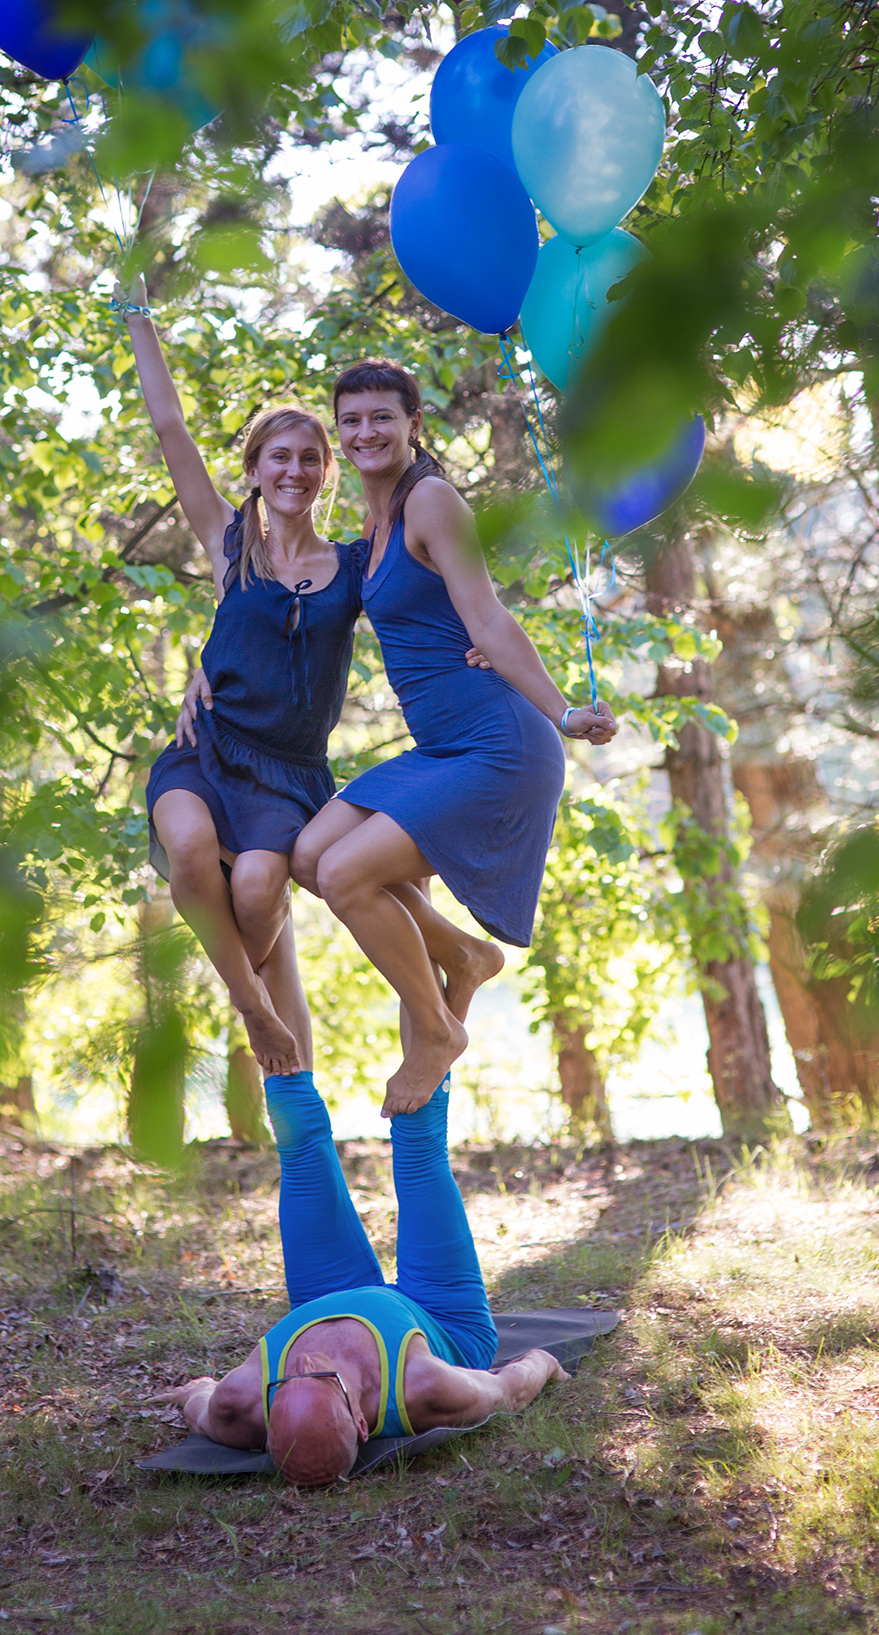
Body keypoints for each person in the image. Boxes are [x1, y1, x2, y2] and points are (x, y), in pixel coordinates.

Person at [128, 295, 496, 1079]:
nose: (292, 471)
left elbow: (425, 598)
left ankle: (280, 996)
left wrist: (479, 650)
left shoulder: (355, 567)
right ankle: (254, 1010)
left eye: (307, 458)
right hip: (208, 749)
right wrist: (139, 319)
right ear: (256, 472)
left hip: (288, 775)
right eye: (278, 458)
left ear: (326, 471)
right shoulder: (231, 547)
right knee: (188, 845)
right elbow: (171, 430)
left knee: (262, 885)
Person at [289, 360, 618, 1118]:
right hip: (441, 747)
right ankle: (465, 955)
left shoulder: (430, 500)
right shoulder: (370, 528)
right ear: (338, 435)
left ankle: (437, 1031)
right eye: (351, 420)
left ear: (413, 424)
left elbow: (490, 619)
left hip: (497, 743)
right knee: (309, 857)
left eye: (382, 417)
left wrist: (565, 713)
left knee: (344, 875)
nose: (366, 431)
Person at [154, 1071, 568, 1486]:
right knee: (419, 1144)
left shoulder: (239, 1403)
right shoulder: (427, 1389)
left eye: (286, 1381)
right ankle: (436, 1036)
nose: (304, 1361)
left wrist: (193, 1390)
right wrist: (545, 1363)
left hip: (324, 1295)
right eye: (319, 1376)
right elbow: (508, 1392)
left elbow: (201, 1404)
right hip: (441, 1315)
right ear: (361, 1423)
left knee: (297, 1141)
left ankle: (274, 1043)